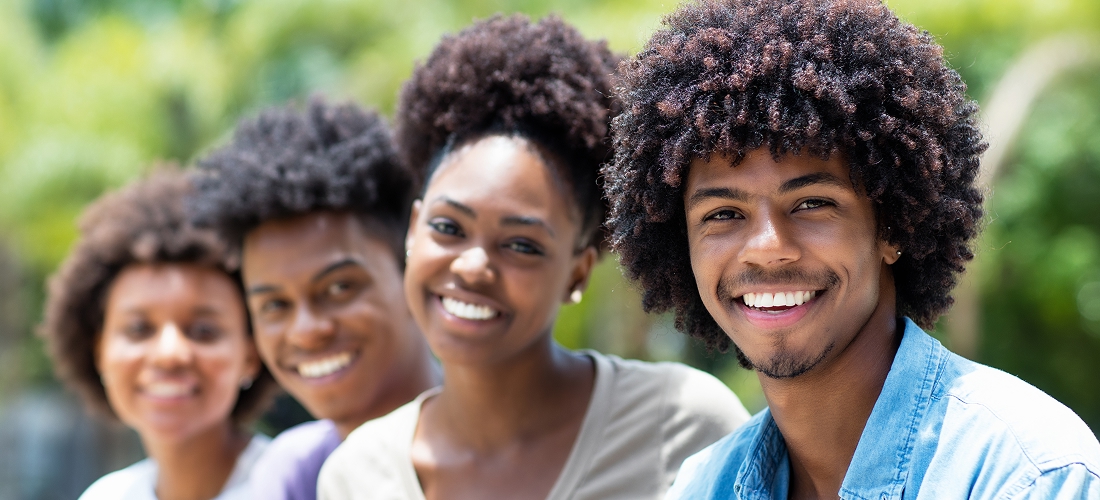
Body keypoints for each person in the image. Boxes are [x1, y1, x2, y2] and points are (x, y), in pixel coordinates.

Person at [602, 0, 1100, 498]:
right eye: (722, 215)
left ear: (893, 227)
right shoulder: (702, 486)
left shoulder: (1026, 475)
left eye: (811, 203)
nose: (766, 249)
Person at [318, 15, 750, 500]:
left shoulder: (682, 425)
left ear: (578, 271)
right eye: (447, 228)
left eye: (521, 245)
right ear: (413, 229)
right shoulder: (356, 475)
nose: (471, 266)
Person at [189, 98, 441, 500]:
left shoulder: (518, 443)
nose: (306, 330)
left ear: (412, 272)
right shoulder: (295, 473)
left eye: (339, 288)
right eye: (275, 305)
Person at [40, 170, 278, 500]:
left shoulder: (299, 485)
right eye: (139, 329)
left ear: (250, 356)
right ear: (99, 352)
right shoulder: (107, 496)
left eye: (203, 331)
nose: (170, 353)